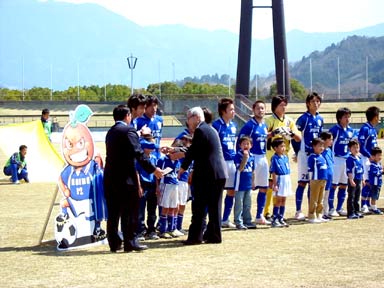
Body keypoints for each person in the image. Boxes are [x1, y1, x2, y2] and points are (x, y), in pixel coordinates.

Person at [103, 105, 163, 253]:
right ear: (127, 116)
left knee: (113, 212)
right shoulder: (129, 130)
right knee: (129, 211)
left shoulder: (110, 132)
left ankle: (114, 243)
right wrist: (154, 170)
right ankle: (130, 242)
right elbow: (139, 153)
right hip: (125, 178)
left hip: (110, 177)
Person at [178, 106, 228, 245]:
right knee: (215, 207)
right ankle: (214, 235)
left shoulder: (200, 130)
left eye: (189, 118)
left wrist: (183, 167)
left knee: (199, 206)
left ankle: (195, 237)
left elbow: (193, 151)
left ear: (196, 117)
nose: (188, 122)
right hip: (219, 173)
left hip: (208, 174)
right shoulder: (210, 129)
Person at [265, 95, 301, 220]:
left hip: (284, 157)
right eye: (281, 105)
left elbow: (298, 138)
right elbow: (263, 136)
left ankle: (278, 213)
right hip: (271, 155)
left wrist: (289, 133)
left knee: (281, 185)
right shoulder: (269, 120)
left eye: (285, 104)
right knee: (271, 183)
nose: (284, 107)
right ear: (275, 106)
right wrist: (274, 132)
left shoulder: (289, 121)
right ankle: (267, 212)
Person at [237, 100, 270, 225]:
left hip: (262, 157)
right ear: (253, 109)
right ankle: (246, 216)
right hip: (253, 157)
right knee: (249, 188)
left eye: (263, 108)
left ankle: (259, 215)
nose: (261, 110)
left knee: (264, 187)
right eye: (258, 108)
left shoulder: (264, 125)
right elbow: (240, 141)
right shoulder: (249, 126)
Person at [294, 93, 324, 220]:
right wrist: (297, 152)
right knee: (302, 182)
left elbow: (321, 138)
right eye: (313, 101)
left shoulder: (320, 119)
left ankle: (311, 211)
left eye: (318, 101)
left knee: (314, 184)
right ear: (308, 103)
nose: (316, 104)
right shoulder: (303, 118)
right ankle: (298, 210)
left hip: (316, 156)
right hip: (305, 155)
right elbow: (294, 136)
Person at [212, 98, 237, 228]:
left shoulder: (233, 126)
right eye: (231, 110)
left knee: (231, 191)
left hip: (232, 163)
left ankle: (225, 218)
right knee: (217, 192)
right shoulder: (216, 126)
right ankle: (214, 219)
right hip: (221, 163)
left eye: (234, 109)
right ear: (223, 111)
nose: (234, 112)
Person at [328, 107, 356, 217]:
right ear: (339, 118)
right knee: (333, 185)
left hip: (346, 160)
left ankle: (340, 207)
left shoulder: (350, 131)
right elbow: (329, 145)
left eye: (349, 117)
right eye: (345, 117)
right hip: (336, 159)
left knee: (344, 185)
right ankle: (331, 208)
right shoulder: (334, 130)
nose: (348, 119)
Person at [156, 145, 183, 239]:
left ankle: (171, 229)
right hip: (166, 185)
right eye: (179, 154)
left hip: (175, 185)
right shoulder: (163, 160)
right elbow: (157, 174)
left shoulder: (177, 162)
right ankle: (163, 230)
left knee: (173, 207)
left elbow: (177, 173)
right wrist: (157, 187)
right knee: (165, 208)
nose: (180, 156)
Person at [136, 137, 160, 240]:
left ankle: (151, 230)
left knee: (152, 209)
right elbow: (136, 172)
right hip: (143, 184)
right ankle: (140, 230)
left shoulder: (154, 158)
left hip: (152, 185)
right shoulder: (140, 160)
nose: (152, 149)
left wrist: (158, 187)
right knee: (140, 209)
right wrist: (139, 186)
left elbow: (156, 174)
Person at [358, 106, 380, 213]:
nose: (379, 118)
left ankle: (371, 205)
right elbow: (361, 146)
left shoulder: (373, 129)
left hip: (373, 160)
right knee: (367, 182)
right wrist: (369, 155)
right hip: (366, 159)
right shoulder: (365, 128)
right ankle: (364, 205)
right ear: (374, 117)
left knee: (373, 182)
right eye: (378, 116)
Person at [233, 136, 256, 230]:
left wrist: (253, 182)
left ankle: (247, 220)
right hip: (240, 183)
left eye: (248, 144)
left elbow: (253, 170)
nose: (245, 146)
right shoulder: (238, 155)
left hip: (248, 183)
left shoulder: (252, 156)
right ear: (240, 145)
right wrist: (245, 158)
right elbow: (240, 168)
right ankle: (238, 221)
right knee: (239, 203)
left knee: (248, 203)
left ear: (251, 145)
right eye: (243, 144)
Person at [269, 138, 291, 228]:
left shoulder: (285, 157)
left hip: (286, 178)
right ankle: (275, 219)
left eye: (284, 146)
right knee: (278, 200)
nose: (283, 148)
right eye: (281, 146)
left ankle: (281, 217)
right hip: (279, 179)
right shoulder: (274, 158)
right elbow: (273, 172)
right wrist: (274, 183)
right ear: (275, 148)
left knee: (283, 199)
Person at [307, 138, 328, 223]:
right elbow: (310, 169)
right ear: (314, 146)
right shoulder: (312, 157)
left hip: (323, 180)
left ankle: (319, 214)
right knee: (314, 199)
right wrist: (311, 180)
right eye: (319, 146)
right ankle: (311, 216)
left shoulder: (322, 157)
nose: (322, 148)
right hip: (315, 180)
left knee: (320, 199)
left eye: (323, 146)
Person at [136, 95, 163, 159]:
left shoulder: (159, 119)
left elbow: (158, 137)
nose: (154, 108)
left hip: (157, 156)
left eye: (155, 105)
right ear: (145, 107)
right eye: (151, 106)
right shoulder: (138, 121)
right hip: (145, 158)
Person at [346, 139, 364, 219]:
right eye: (354, 147)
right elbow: (349, 171)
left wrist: (363, 179)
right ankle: (351, 213)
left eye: (357, 147)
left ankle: (357, 211)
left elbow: (361, 169)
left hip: (359, 179)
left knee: (357, 196)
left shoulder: (359, 158)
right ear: (350, 148)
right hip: (353, 180)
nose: (356, 149)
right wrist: (351, 180)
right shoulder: (350, 159)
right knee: (351, 196)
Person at [320, 131, 334, 220]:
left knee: (327, 195)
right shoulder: (321, 152)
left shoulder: (329, 150)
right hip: (323, 177)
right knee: (322, 196)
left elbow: (332, 162)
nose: (332, 141)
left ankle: (326, 212)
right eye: (330, 139)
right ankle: (320, 213)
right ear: (324, 140)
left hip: (330, 176)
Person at [368, 147, 383, 215]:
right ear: (373, 156)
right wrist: (382, 171)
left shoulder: (379, 164)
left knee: (376, 195)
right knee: (374, 196)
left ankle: (372, 206)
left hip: (378, 183)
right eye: (378, 155)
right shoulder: (372, 165)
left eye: (381, 155)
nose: (380, 157)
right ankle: (373, 208)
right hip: (374, 183)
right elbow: (375, 173)